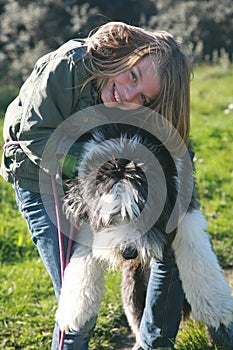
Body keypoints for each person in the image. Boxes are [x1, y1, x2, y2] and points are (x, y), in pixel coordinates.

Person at [1, 22, 191, 349]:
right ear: (129, 53)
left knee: (173, 242)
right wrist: (91, 167)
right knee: (79, 300)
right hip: (41, 179)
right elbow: (36, 136)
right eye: (132, 75)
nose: (128, 95)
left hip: (101, 187)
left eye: (143, 97)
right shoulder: (69, 65)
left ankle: (155, 344)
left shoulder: (133, 105)